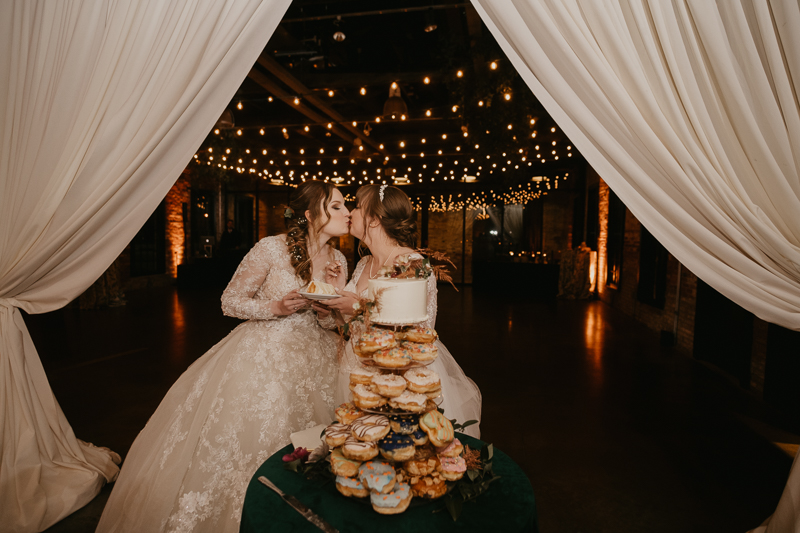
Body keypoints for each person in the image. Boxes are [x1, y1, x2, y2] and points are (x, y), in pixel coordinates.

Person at [97, 181, 349, 533]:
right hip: (261, 357)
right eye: (336, 206)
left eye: (345, 206)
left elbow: (328, 322)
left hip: (315, 360)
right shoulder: (271, 248)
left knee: (314, 447)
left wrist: (332, 299)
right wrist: (276, 306)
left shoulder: (338, 259)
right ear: (309, 215)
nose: (347, 213)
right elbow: (230, 301)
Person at [325, 184, 482, 438]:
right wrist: (338, 290)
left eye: (357, 207)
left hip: (396, 378)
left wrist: (355, 307)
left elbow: (419, 331)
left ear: (374, 220)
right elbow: (349, 325)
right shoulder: (365, 262)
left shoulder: (414, 265)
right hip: (356, 369)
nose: (350, 212)